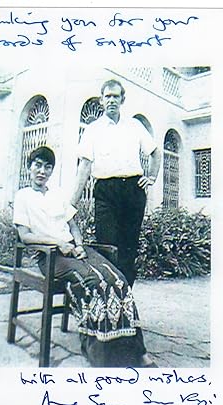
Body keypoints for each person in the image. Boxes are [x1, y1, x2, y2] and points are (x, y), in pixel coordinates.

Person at [13, 146, 157, 368]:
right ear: (29, 167)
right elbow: (26, 236)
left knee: (117, 278)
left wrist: (78, 245)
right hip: (50, 256)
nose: (42, 171)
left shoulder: (57, 194)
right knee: (93, 282)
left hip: (73, 249)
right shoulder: (23, 197)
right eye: (38, 166)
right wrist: (58, 243)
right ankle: (102, 352)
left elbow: (73, 225)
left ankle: (137, 350)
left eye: (47, 167)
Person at [71, 79, 161, 287]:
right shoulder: (93, 129)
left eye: (116, 96)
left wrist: (152, 177)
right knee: (107, 246)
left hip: (133, 190)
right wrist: (71, 205)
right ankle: (109, 302)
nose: (111, 100)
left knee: (129, 248)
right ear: (101, 100)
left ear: (122, 99)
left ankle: (125, 305)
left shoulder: (134, 125)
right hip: (106, 191)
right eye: (107, 96)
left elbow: (155, 152)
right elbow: (84, 167)